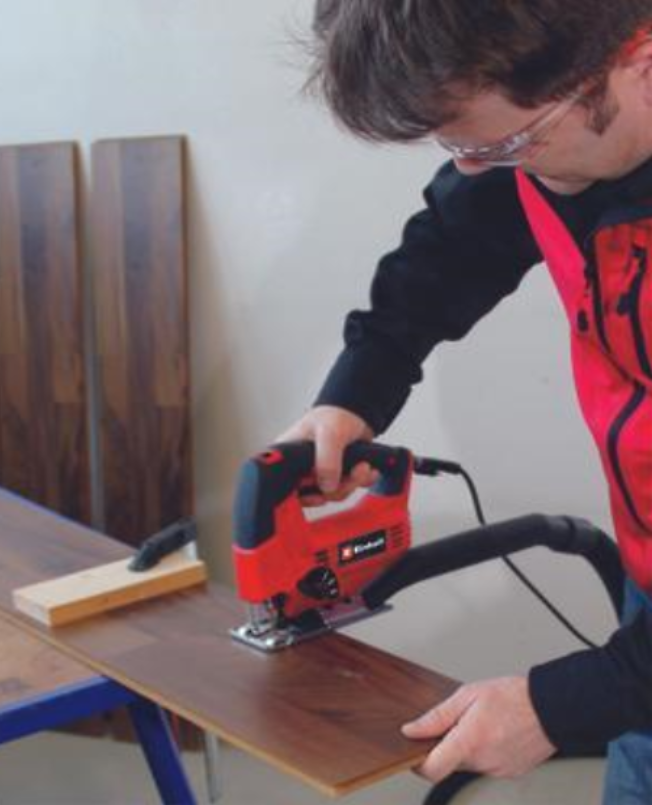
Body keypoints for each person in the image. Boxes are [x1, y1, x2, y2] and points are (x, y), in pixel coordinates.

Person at [278, 1, 652, 802]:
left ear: (637, 57)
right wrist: (355, 393)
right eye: (462, 148)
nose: (481, 170)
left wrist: (561, 704)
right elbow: (451, 246)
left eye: (507, 145)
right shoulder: (541, 147)